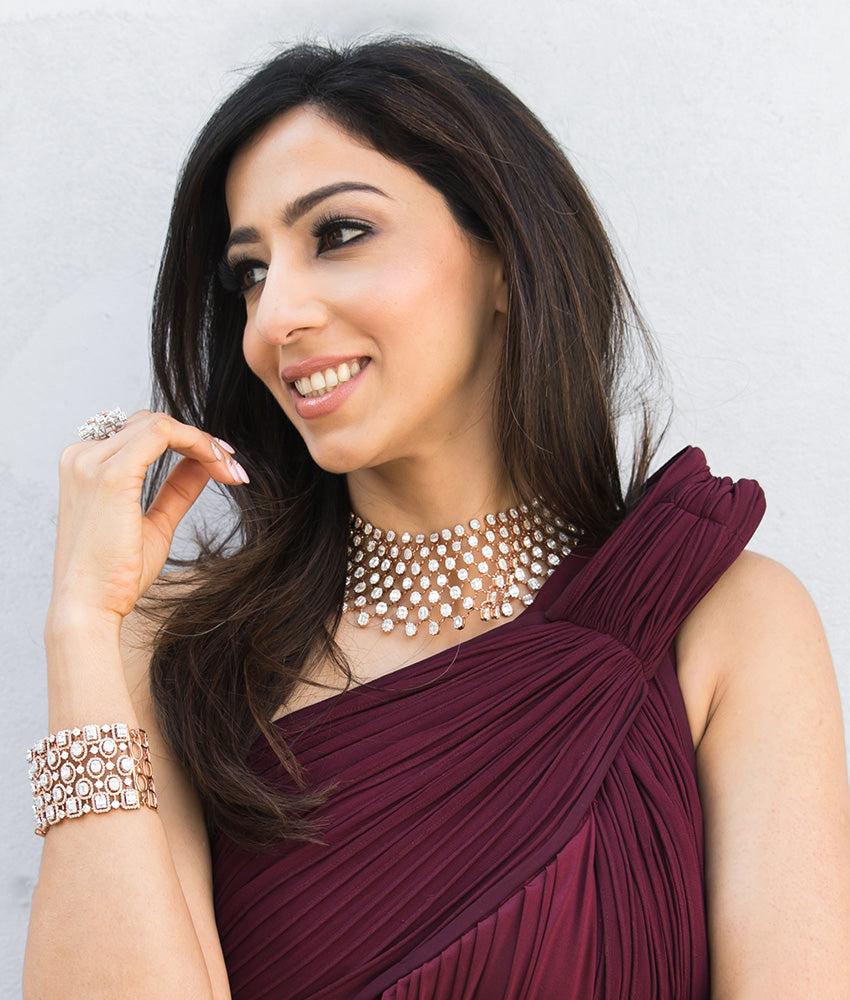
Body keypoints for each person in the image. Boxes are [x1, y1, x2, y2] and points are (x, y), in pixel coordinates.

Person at [23, 38, 850, 1000]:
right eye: (248, 274)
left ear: (503, 255)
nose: (273, 317)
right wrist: (81, 629)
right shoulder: (182, 649)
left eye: (338, 234)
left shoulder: (719, 620)